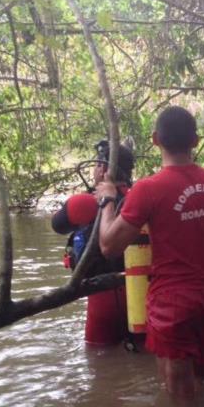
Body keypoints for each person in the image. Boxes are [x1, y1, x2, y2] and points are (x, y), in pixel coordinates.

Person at [96, 106, 204, 399]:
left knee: (178, 395)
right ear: (195, 140)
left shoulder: (148, 189)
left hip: (172, 303)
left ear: (155, 140)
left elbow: (108, 245)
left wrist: (106, 201)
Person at [52, 140, 136, 347]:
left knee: (98, 358)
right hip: (142, 291)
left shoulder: (86, 202)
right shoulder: (140, 198)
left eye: (97, 164)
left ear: (104, 169)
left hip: (103, 297)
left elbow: (58, 225)